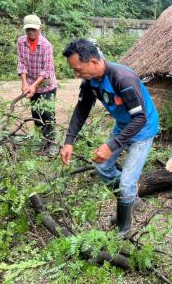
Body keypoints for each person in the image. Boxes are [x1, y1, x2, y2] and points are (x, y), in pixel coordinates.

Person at [60, 39, 159, 238]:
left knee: (126, 182)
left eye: (78, 70)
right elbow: (81, 110)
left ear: (94, 62)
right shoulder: (90, 82)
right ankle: (129, 201)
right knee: (102, 167)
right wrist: (69, 141)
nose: (76, 74)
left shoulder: (123, 78)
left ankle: (124, 230)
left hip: (143, 129)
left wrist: (110, 145)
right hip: (123, 125)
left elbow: (140, 118)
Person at [17, 14, 58, 156]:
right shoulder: (21, 42)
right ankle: (42, 142)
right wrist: (24, 83)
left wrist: (34, 85)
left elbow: (47, 70)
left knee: (47, 113)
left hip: (47, 85)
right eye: (28, 29)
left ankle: (52, 144)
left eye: (33, 29)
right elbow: (21, 63)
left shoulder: (46, 45)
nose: (30, 32)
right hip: (30, 85)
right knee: (36, 113)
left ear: (39, 29)